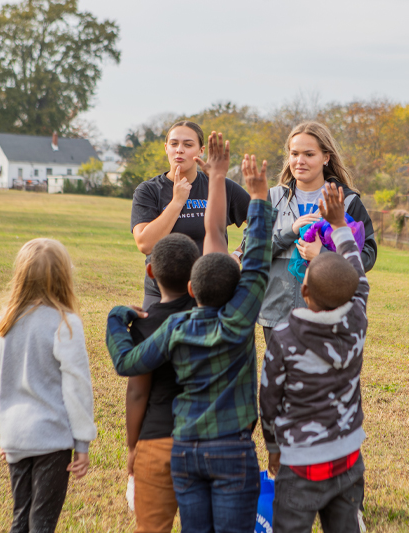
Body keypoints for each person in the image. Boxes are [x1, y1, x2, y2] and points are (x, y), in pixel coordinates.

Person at [107, 151, 271, 533]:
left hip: (186, 449)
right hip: (232, 448)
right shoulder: (240, 318)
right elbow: (259, 258)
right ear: (238, 289)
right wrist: (258, 197)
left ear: (192, 288)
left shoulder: (174, 329)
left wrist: (118, 317)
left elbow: (127, 364)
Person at [260, 183, 368, 533]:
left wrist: (273, 448)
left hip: (300, 465)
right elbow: (357, 273)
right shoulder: (357, 320)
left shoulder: (284, 338)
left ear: (303, 291)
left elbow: (268, 399)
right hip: (349, 460)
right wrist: (338, 224)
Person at [0, 238, 97, 533]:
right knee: (42, 523)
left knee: (20, 518)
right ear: (64, 276)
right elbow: (77, 387)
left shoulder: (5, 322)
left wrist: (3, 430)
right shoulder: (66, 324)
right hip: (52, 438)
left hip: (15, 434)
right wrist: (82, 443)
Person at [258, 121, 377, 344]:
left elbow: (367, 258)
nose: (299, 161)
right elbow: (252, 250)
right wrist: (289, 232)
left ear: (326, 157)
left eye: (309, 154)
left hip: (331, 314)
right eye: (294, 154)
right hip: (278, 314)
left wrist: (323, 255)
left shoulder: (347, 200)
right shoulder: (271, 197)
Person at [130, 120, 251, 308]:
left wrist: (238, 254)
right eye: (174, 144)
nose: (179, 150)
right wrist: (177, 201)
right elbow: (145, 244)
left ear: (201, 150)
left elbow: (262, 222)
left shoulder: (219, 185)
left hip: (211, 290)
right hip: (162, 293)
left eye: (188, 145)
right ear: (166, 148)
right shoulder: (148, 190)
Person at [125, 233, 199, 532]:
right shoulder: (209, 318)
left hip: (158, 440)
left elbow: (137, 393)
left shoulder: (143, 324)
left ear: (150, 272)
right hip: (204, 440)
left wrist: (133, 447)